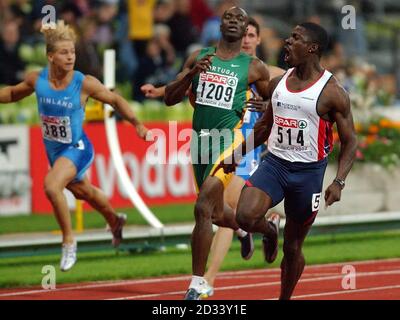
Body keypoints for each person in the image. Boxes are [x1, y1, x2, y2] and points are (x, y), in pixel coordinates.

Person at [217, 22, 358, 300]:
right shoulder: (277, 83)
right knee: (245, 216)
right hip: (275, 164)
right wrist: (236, 155)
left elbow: (350, 140)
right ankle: (269, 230)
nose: (287, 41)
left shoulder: (332, 92)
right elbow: (263, 128)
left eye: (296, 38)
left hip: (308, 174)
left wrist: (339, 181)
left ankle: (284, 297)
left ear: (312, 48)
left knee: (293, 248)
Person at [0, 21, 149, 272]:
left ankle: (69, 241)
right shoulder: (37, 80)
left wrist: (137, 124)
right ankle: (115, 221)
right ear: (50, 56)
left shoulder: (83, 83)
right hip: (55, 152)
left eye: (73, 52)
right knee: (84, 192)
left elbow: (114, 99)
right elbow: (13, 94)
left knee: (51, 185)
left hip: (78, 148)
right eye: (64, 52)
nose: (70, 57)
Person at [163, 6, 275, 300]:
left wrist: (266, 107)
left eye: (241, 19)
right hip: (201, 143)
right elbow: (170, 99)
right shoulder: (199, 57)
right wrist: (190, 76)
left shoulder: (254, 67)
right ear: (220, 24)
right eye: (229, 17)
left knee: (202, 207)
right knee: (215, 214)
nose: (235, 22)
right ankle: (263, 227)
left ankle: (197, 282)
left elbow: (273, 105)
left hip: (230, 143)